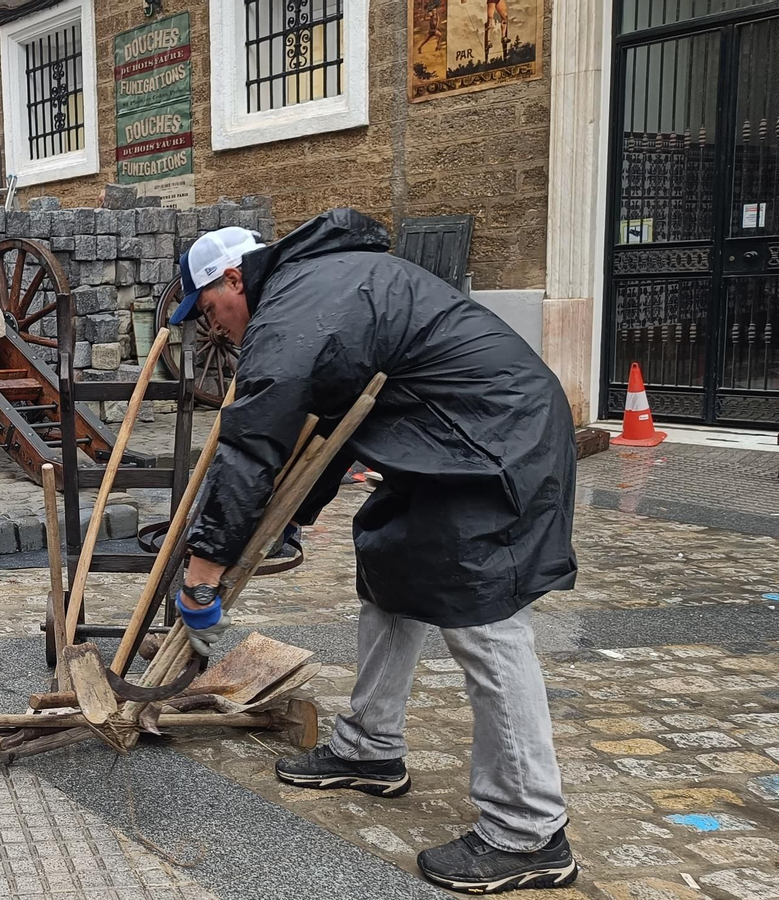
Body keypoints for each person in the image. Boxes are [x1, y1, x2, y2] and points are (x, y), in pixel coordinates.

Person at [169, 210, 578, 894]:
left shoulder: (297, 304)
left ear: (235, 280)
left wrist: (202, 575)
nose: (215, 327)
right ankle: (370, 749)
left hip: (496, 443)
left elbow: (251, 445)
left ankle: (529, 830)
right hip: (446, 442)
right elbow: (327, 430)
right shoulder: (315, 289)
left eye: (211, 309)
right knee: (389, 570)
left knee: (484, 623)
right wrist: (287, 519)